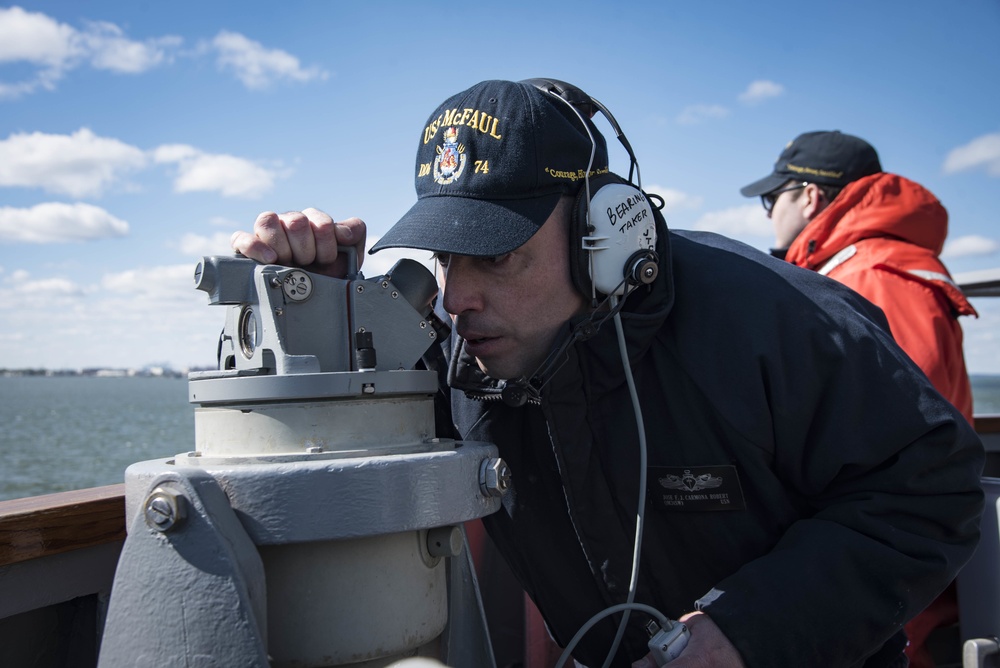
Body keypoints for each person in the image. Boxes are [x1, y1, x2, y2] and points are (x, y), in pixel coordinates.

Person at [232, 79, 985, 668]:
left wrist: (753, 633)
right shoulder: (463, 355)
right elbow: (355, 460)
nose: (460, 297)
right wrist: (328, 319)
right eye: (447, 257)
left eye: (497, 255)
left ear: (603, 236)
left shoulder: (773, 315)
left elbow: (931, 482)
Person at [741, 131, 979, 668]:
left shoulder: (870, 276)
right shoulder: (864, 268)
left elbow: (909, 454)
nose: (768, 214)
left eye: (771, 198)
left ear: (809, 196)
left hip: (887, 590)